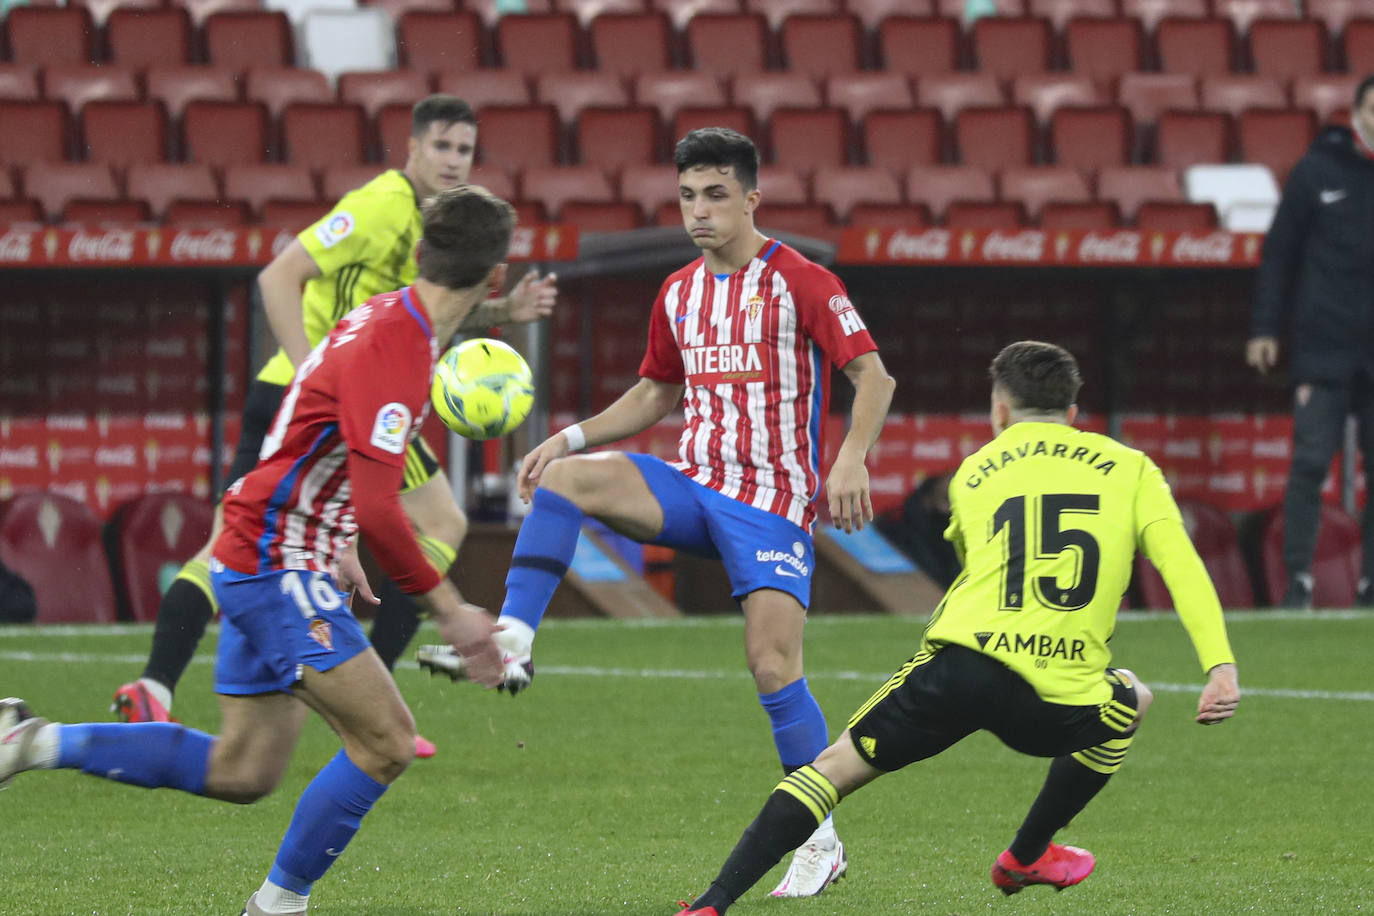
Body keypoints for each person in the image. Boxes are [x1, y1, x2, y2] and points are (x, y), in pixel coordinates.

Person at [0, 185, 516, 916]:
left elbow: (314, 434)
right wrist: (452, 609)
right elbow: (380, 505)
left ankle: (33, 742)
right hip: (276, 562)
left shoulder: (384, 315)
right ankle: (276, 907)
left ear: (420, 254)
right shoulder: (397, 347)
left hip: (272, 548)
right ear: (495, 277)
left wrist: (335, 536)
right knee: (388, 743)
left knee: (242, 769)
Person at [422, 126, 895, 897]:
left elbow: (873, 378)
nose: (699, 212)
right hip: (691, 482)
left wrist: (849, 460)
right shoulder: (678, 292)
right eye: (686, 197)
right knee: (569, 480)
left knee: (772, 665)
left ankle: (822, 840)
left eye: (715, 196)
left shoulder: (804, 282)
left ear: (750, 198)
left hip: (770, 502)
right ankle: (512, 638)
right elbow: (655, 393)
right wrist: (565, 437)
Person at [674, 340, 1241, 914]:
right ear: (1072, 413)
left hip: (962, 667)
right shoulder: (1133, 469)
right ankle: (1026, 854)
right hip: (1057, 697)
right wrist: (1218, 666)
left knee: (833, 768)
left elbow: (975, 560)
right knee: (1133, 698)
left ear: (999, 409)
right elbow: (1182, 569)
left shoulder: (974, 472)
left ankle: (712, 902)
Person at [113, 94, 559, 759]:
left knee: (435, 521)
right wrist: (308, 382)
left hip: (364, 396)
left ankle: (347, 691)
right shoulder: (380, 205)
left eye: (465, 150)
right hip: (319, 398)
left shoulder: (434, 223)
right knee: (235, 544)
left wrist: (502, 309)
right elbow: (277, 277)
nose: (453, 161)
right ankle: (164, 683)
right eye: (441, 146)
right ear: (410, 148)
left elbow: (427, 312)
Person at [1247, 74, 1374, 610]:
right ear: (1359, 111)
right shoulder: (1317, 170)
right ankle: (1297, 580)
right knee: (1309, 464)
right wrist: (1263, 327)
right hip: (1323, 347)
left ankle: (1370, 584)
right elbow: (1279, 254)